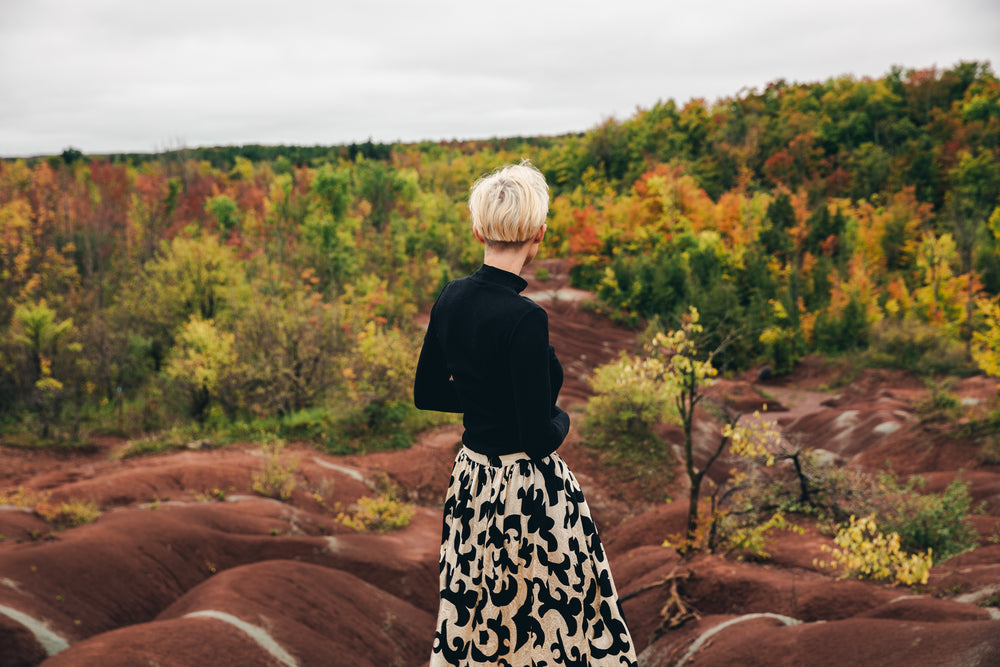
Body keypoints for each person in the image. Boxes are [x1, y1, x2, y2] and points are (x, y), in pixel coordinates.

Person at [414, 160, 638, 666]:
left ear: (478, 229)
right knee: (560, 624)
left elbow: (427, 393)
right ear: (539, 234)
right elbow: (539, 437)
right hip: (527, 495)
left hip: (471, 484)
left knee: (478, 617)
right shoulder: (526, 318)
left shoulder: (451, 296)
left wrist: (485, 404)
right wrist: (563, 419)